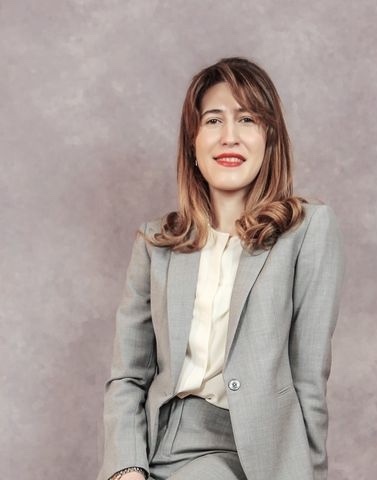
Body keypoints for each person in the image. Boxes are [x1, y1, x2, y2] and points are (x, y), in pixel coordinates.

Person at [97, 56, 345, 480]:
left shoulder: (308, 231)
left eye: (247, 119)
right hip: (154, 445)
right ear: (193, 144)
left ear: (269, 139)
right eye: (213, 121)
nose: (230, 137)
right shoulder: (156, 242)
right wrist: (127, 468)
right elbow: (128, 378)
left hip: (252, 452)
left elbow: (309, 380)